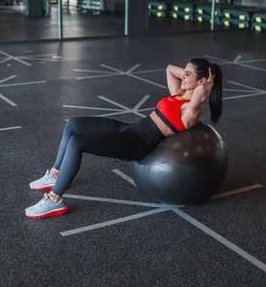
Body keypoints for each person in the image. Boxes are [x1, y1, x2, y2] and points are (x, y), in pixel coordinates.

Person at [25, 58, 224, 219]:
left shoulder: (192, 108)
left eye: (188, 74)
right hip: (132, 129)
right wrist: (188, 74)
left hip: (137, 144)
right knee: (73, 125)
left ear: (201, 82)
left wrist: (206, 81)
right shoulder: (179, 93)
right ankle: (55, 174)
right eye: (185, 72)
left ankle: (54, 200)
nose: (183, 76)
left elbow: (201, 92)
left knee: (78, 143)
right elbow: (170, 69)